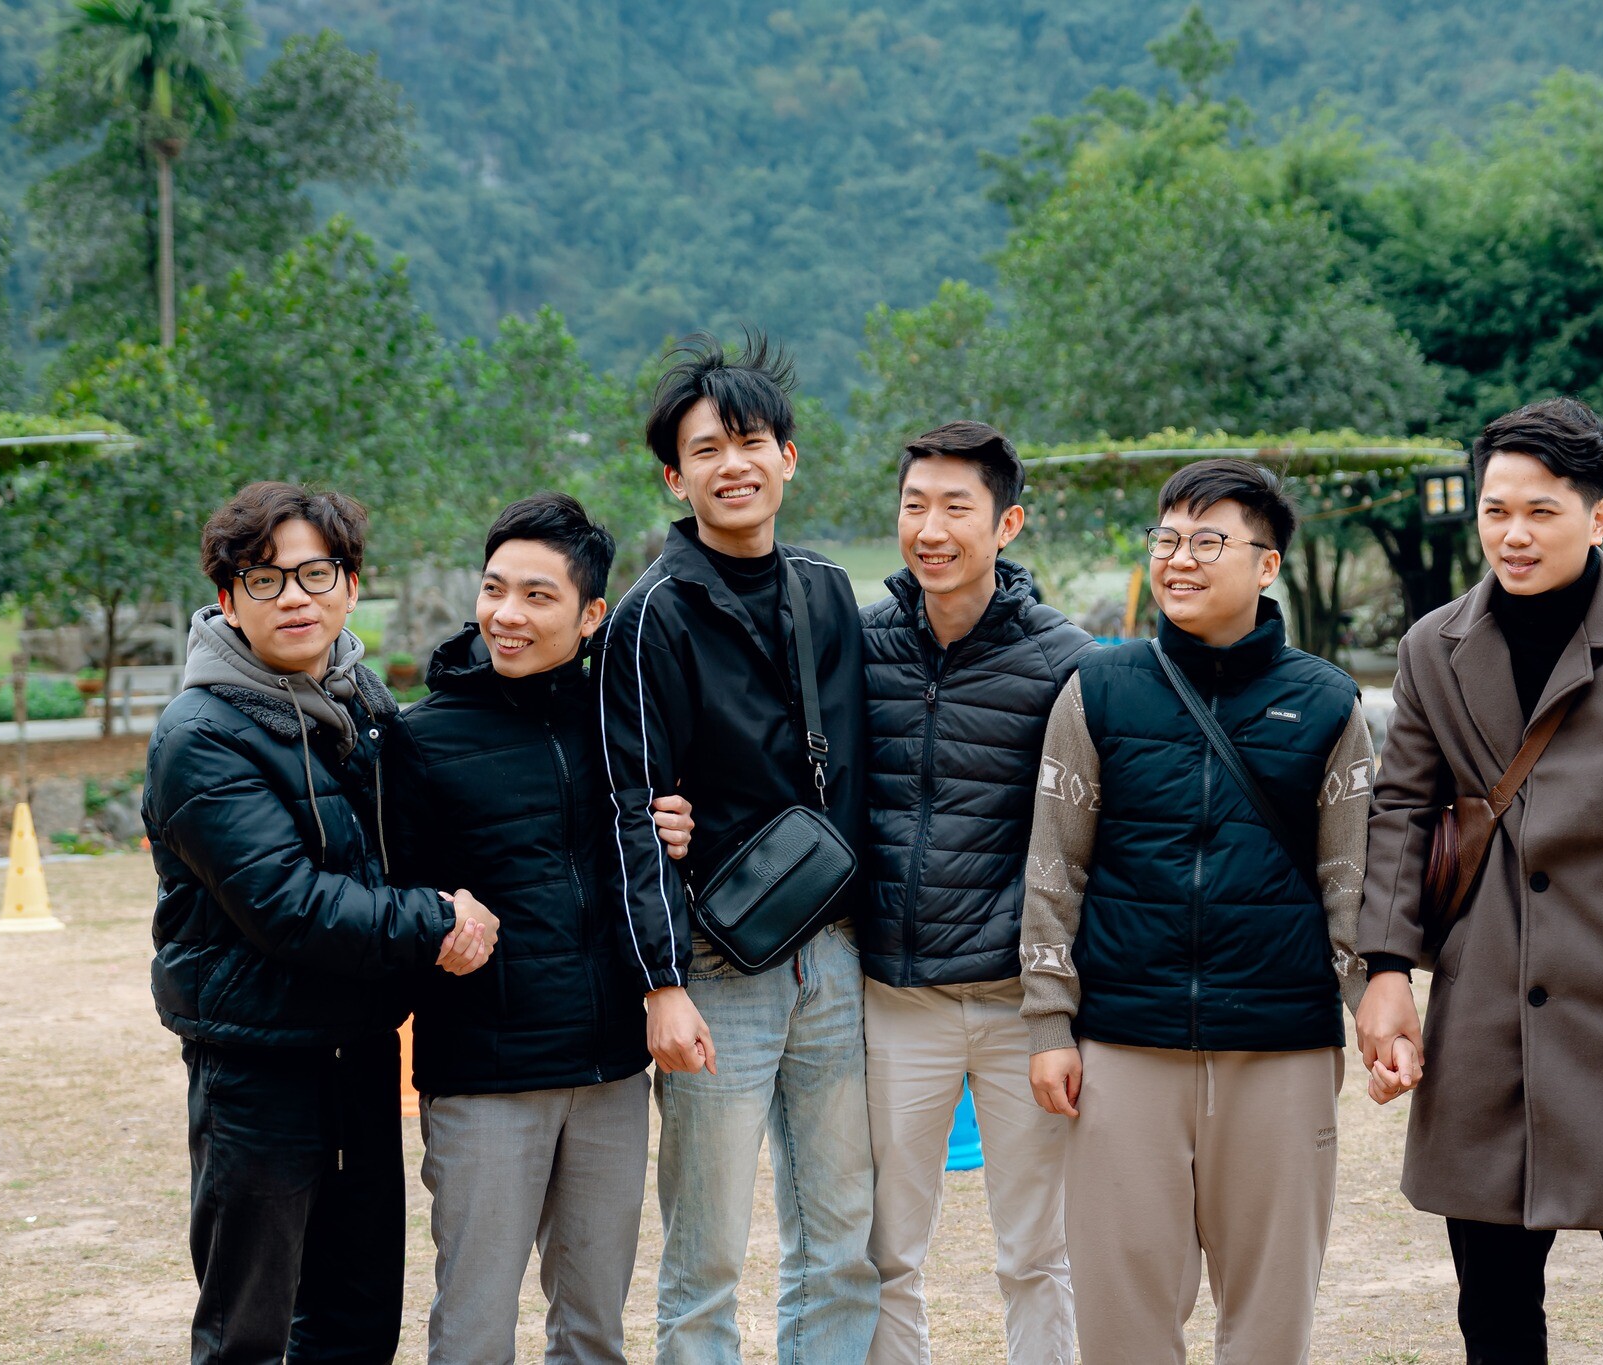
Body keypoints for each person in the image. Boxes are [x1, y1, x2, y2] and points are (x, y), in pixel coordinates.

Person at [1354, 396, 1603, 1364]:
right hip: (1483, 1005)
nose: (1513, 533)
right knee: (1493, 1308)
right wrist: (1384, 969)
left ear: (1598, 516)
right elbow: (1400, 814)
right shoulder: (1431, 648)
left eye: (1541, 511)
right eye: (1495, 510)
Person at [1019, 457, 1376, 1365]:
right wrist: (1050, 1021)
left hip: (1281, 1048)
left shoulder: (1327, 701)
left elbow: (1351, 880)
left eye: (1208, 541)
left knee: (1271, 1312)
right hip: (1123, 1043)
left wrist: (1373, 1001)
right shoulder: (1097, 689)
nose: (1179, 559)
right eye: (1167, 539)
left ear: (1266, 564)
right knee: (1121, 1313)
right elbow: (1055, 870)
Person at [144, 481, 500, 1365]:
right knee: (250, 1330)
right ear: (229, 599)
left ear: (350, 585)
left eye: (315, 573)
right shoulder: (201, 733)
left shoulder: (364, 709)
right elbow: (288, 903)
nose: (294, 596)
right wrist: (439, 920)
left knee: (357, 1317)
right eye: (264, 579)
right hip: (257, 1067)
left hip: (360, 1054)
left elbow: (429, 834)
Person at [599, 332, 878, 1362]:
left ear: (787, 458)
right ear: (674, 478)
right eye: (706, 449)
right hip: (714, 968)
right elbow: (632, 810)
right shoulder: (649, 617)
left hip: (834, 954)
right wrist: (662, 982)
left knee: (843, 1244)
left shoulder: (827, 591)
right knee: (705, 1259)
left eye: (751, 441)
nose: (733, 464)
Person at [386, 493, 695, 1364]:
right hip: (485, 1077)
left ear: (592, 615)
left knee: (594, 1329)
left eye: (537, 595)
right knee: (475, 1328)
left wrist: (683, 829)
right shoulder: (421, 738)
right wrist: (435, 920)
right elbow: (392, 896)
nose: (506, 614)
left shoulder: (624, 722)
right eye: (494, 589)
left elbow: (649, 859)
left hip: (609, 1072)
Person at [859, 421, 1095, 1364]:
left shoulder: (1066, 658)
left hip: (1018, 1001)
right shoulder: (856, 645)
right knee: (884, 1251)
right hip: (894, 994)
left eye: (957, 507)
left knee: (1037, 1250)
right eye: (914, 505)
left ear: (1007, 524)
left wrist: (1060, 1003)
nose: (931, 529)